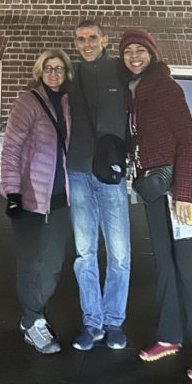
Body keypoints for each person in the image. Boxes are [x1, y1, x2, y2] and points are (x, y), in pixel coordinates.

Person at [120, 28, 192, 383]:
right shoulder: (136, 93)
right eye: (128, 51)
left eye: (140, 50)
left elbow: (188, 140)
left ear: (152, 54)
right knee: (164, 265)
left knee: (188, 267)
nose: (134, 56)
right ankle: (170, 336)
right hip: (153, 188)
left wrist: (183, 193)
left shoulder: (165, 87)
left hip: (180, 188)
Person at [0, 48, 73, 355]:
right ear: (39, 72)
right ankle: (33, 321)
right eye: (48, 68)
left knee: (53, 263)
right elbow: (12, 148)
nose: (54, 73)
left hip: (59, 198)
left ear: (66, 73)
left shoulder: (68, 103)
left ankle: (33, 313)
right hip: (30, 197)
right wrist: (12, 192)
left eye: (59, 68)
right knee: (31, 262)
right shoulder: (27, 101)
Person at [67, 20, 131, 351]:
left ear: (104, 40)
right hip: (77, 170)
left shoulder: (121, 71)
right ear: (75, 44)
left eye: (92, 38)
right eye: (80, 39)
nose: (87, 43)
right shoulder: (69, 75)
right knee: (84, 253)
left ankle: (113, 321)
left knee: (119, 254)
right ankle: (92, 321)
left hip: (110, 173)